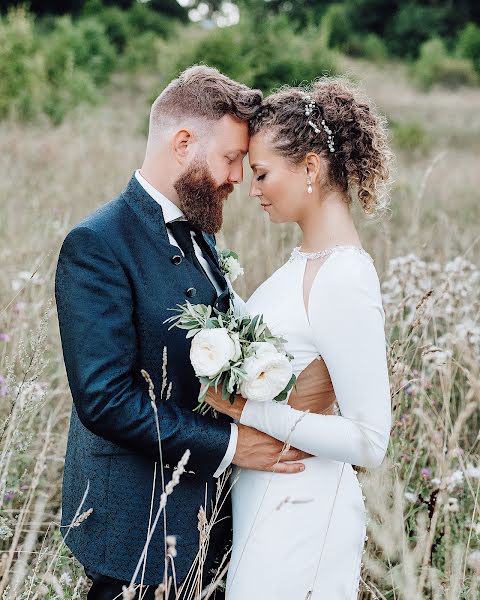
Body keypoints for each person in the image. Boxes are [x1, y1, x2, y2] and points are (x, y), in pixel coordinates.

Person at [54, 65, 310, 600]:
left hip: (208, 516)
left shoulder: (200, 233)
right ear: (184, 142)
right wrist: (234, 444)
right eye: (231, 158)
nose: (238, 177)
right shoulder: (97, 245)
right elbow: (106, 400)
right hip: (136, 525)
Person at [203, 77, 394, 599]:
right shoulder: (302, 263)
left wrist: (247, 411)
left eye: (262, 173)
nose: (252, 187)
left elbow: (370, 440)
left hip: (305, 509)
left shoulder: (345, 276)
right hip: (266, 498)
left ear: (310, 167)